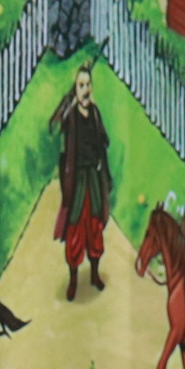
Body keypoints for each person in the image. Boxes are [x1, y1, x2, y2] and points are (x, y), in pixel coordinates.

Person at [50, 64, 110, 300]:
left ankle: (94, 274)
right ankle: (73, 280)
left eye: (87, 85)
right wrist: (69, 104)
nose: (85, 89)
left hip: (93, 177)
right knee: (75, 229)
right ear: (74, 89)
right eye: (80, 85)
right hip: (77, 180)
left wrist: (100, 164)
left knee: (95, 227)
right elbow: (56, 125)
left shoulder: (94, 113)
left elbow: (104, 140)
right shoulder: (71, 116)